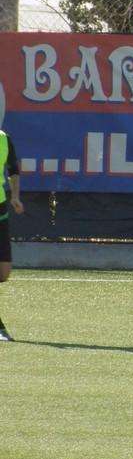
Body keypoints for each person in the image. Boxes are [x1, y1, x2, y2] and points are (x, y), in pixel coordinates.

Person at [0, 129, 23, 342]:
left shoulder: (4, 138)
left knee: (4, 272)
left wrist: (15, 196)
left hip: (1, 210)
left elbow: (13, 169)